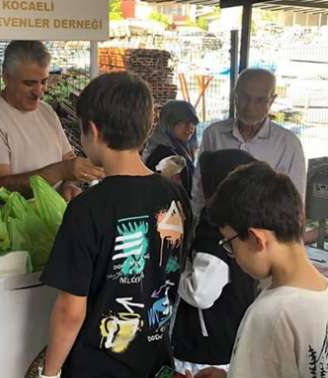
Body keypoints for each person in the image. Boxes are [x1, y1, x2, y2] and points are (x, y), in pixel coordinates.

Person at [39, 72, 192, 378]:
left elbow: (71, 309)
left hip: (97, 367)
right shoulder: (176, 195)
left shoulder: (87, 208)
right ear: (147, 126)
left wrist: (50, 372)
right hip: (156, 360)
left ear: (92, 130)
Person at [189, 162, 328, 378]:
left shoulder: (269, 315)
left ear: (255, 240)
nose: (232, 255)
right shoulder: (321, 293)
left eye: (230, 244)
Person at [0, 40, 104, 201]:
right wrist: (61, 171)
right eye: (29, 83)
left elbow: (68, 160)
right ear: (6, 77)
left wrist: (68, 184)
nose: (39, 92)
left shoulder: (46, 110)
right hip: (11, 223)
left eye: (44, 81)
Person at [172, 149, 259, 375]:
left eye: (203, 179)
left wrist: (171, 272)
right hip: (231, 337)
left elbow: (201, 292)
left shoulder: (214, 228)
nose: (198, 185)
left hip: (203, 349)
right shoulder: (249, 220)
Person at [191, 68, 306, 218]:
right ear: (235, 95)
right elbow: (200, 185)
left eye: (260, 100)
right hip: (215, 230)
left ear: (272, 99)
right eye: (244, 97)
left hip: (261, 236)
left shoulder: (288, 144)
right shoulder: (213, 134)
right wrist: (197, 223)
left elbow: (294, 204)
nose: (250, 107)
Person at [143, 100, 199, 195]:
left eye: (193, 122)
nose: (190, 127)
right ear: (168, 122)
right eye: (183, 122)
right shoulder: (165, 156)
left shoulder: (182, 148)